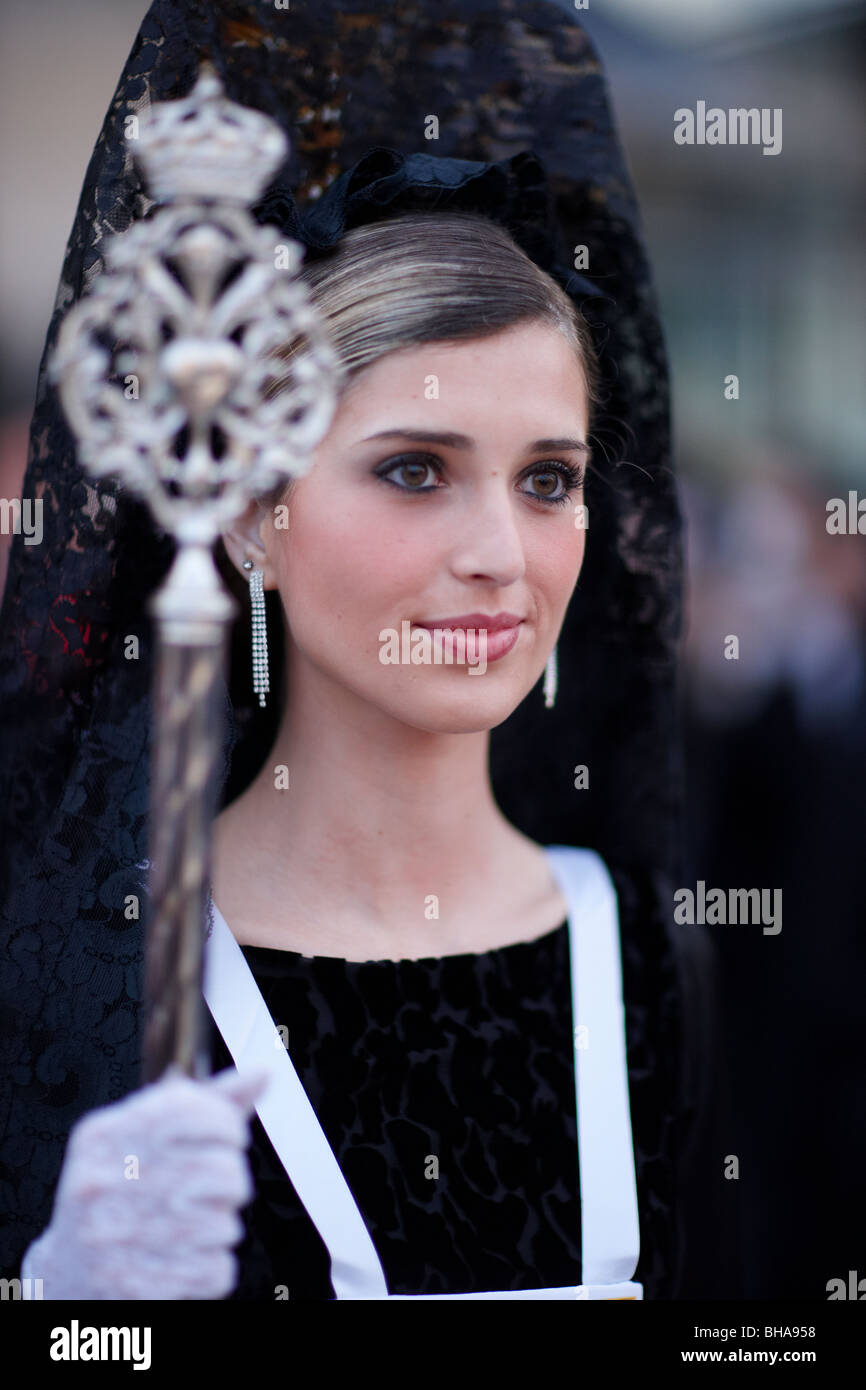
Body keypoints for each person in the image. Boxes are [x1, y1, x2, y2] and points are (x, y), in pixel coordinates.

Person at [0, 0, 738, 1300]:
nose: (501, 552)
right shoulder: (94, 976)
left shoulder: (650, 963)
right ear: (244, 516)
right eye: (413, 469)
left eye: (549, 479)